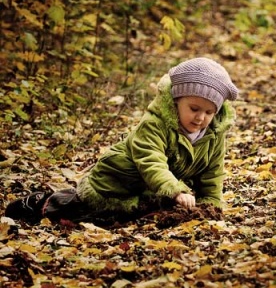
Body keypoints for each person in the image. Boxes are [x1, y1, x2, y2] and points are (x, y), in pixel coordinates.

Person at [5, 57, 238, 224]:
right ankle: (41, 203)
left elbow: (212, 173)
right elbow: (151, 161)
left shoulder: (213, 135)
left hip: (150, 190)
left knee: (133, 219)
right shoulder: (154, 124)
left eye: (209, 112)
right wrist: (176, 190)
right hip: (116, 181)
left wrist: (211, 206)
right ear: (176, 101)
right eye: (194, 108)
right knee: (83, 213)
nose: (200, 117)